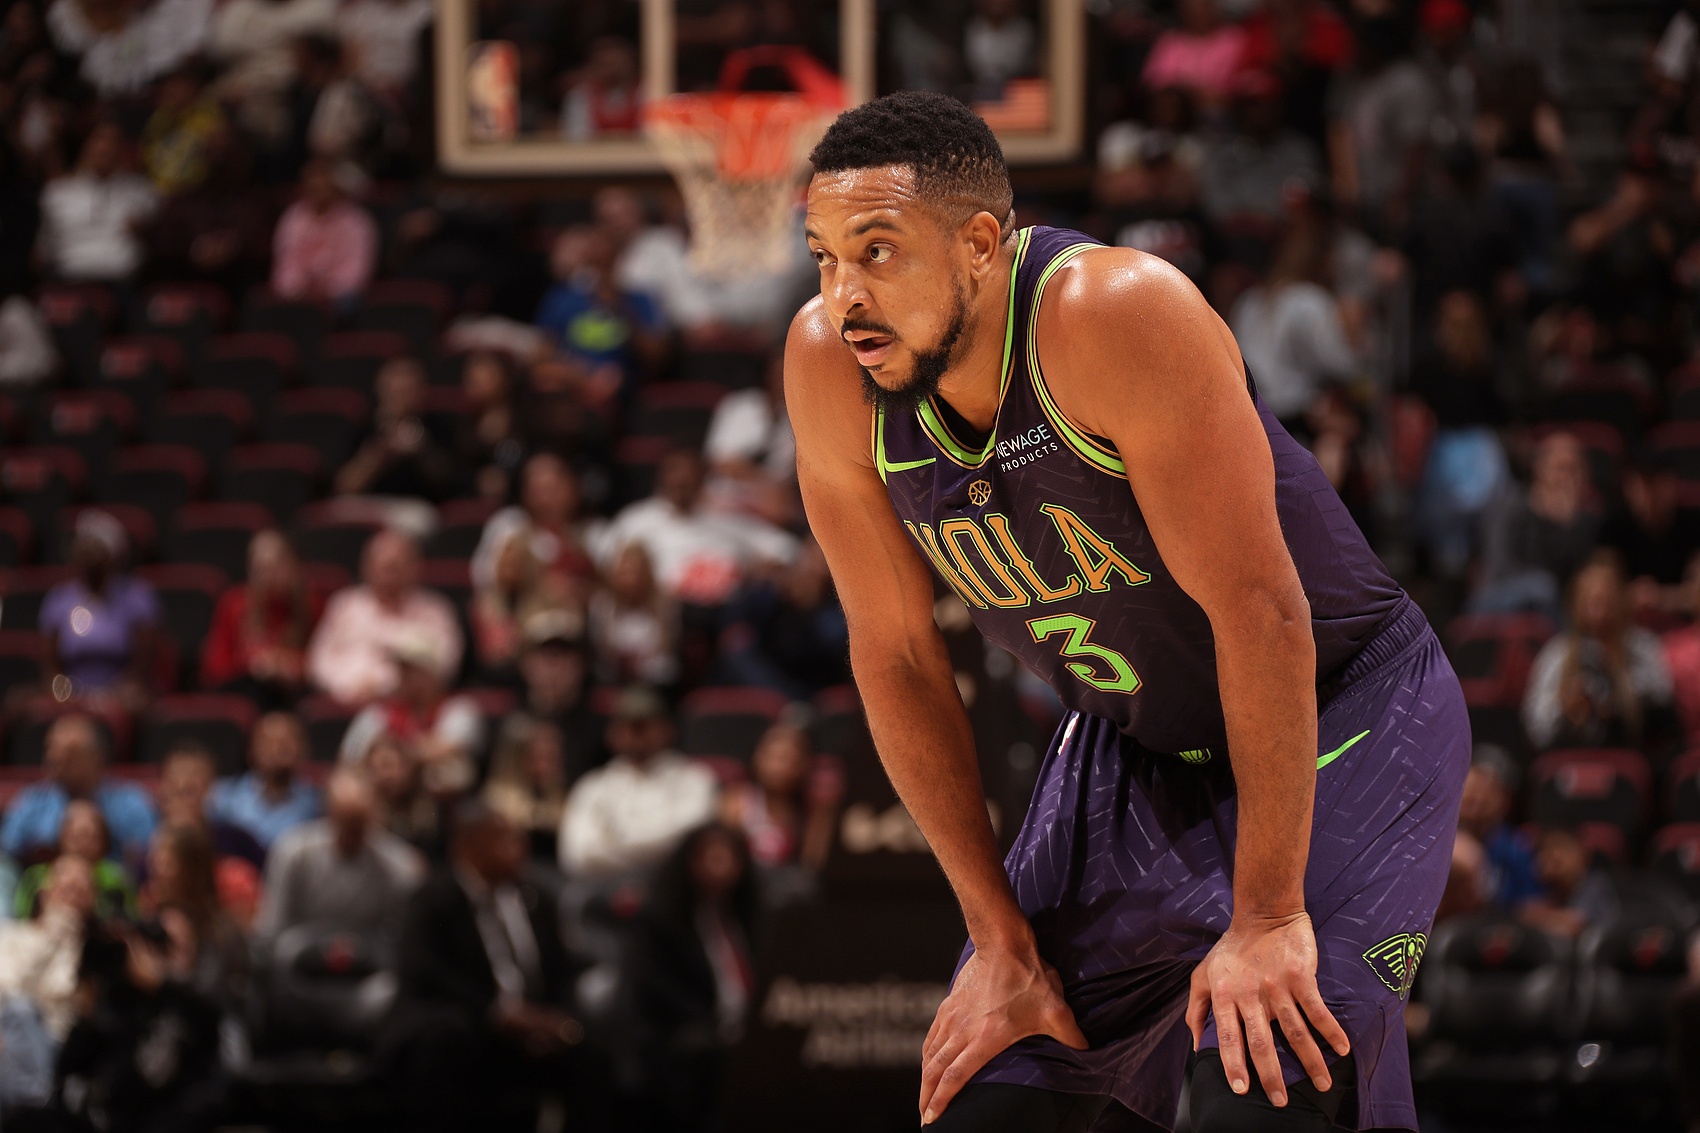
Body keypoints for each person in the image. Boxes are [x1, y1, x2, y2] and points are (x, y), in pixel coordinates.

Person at [788, 92, 1470, 1131]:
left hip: (1342, 712)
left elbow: (1261, 613)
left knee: (1268, 1086)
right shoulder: (828, 371)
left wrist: (1267, 914)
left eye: (875, 252)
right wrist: (998, 942)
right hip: (1135, 749)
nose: (845, 296)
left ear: (980, 244)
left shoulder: (1112, 313)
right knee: (992, 1100)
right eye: (823, 258)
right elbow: (897, 657)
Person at [381, 801, 611, 1133]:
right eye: (504, 839)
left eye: (518, 839)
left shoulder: (535, 898)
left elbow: (563, 968)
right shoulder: (432, 899)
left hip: (529, 1026)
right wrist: (498, 1014)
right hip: (464, 1021)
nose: (519, 849)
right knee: (448, 1043)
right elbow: (427, 973)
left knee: (593, 1050)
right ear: (468, 847)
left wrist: (555, 1017)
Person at [632, 823, 760, 1132]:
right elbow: (656, 989)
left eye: (730, 857)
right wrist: (720, 1025)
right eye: (713, 857)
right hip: (686, 1032)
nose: (722, 867)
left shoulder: (747, 915)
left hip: (747, 1029)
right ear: (690, 861)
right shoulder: (662, 919)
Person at [254, 768, 423, 963]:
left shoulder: (398, 864)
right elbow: (272, 926)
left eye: (358, 822)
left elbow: (403, 934)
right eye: (345, 820)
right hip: (302, 957)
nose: (352, 832)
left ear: (374, 814)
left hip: (367, 958)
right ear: (329, 812)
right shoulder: (294, 852)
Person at [598, 449, 798, 607]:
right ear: (662, 476)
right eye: (675, 472)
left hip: (724, 615)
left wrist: (763, 567)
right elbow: (604, 559)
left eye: (689, 476)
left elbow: (786, 549)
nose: (681, 480)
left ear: (702, 479)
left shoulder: (724, 519)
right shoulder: (636, 520)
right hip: (663, 613)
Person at [556, 686, 717, 881]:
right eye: (627, 725)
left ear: (667, 729)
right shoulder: (592, 786)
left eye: (644, 725)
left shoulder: (695, 780)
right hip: (603, 889)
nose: (636, 733)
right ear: (612, 733)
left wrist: (613, 842)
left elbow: (687, 842)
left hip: (675, 886)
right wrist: (651, 848)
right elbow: (577, 856)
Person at [1523, 554, 1673, 751]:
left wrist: (1616, 692)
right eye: (1591, 596)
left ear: (1622, 598)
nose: (1599, 601)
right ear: (1576, 602)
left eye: (1607, 594)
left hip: (1631, 751)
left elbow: (1664, 699)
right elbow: (1535, 726)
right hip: (1571, 755)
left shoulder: (1643, 645)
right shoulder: (1558, 652)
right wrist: (1563, 707)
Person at [306, 527, 463, 705]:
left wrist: (384, 687)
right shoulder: (344, 605)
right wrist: (348, 688)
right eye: (383, 567)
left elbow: (445, 664)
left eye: (395, 567)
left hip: (407, 706)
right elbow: (319, 662)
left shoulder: (436, 611)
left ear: (415, 567)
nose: (389, 576)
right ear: (366, 568)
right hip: (344, 703)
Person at [1470, 431, 1601, 619]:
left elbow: (1579, 576)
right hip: (1498, 597)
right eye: (1561, 468)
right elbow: (1501, 568)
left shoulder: (1584, 521)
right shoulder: (1510, 508)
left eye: (1574, 469)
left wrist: (1567, 526)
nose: (1566, 478)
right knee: (1543, 587)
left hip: (1554, 600)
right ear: (1540, 469)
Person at [39, 509, 161, 706]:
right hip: (70, 695)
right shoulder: (59, 599)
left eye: (97, 550)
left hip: (122, 694)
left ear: (114, 555)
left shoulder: (137, 596)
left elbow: (143, 664)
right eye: (84, 550)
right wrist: (65, 695)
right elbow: (51, 666)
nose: (90, 557)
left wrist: (116, 694)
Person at [339, 634, 485, 797]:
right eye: (400, 669)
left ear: (430, 673)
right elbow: (350, 757)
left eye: (410, 670)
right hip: (384, 801)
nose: (401, 676)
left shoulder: (458, 708)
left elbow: (448, 748)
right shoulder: (380, 712)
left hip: (441, 803)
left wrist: (395, 756)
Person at [0, 714, 156, 863]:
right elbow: (6, 851)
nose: (55, 758)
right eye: (51, 749)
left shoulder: (130, 804)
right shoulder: (32, 802)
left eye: (69, 753)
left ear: (96, 758)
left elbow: (149, 854)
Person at [200, 529, 322, 706]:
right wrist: (254, 663)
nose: (268, 575)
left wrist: (290, 665)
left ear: (295, 566)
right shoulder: (234, 604)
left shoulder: (312, 606)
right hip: (247, 694)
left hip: (295, 697)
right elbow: (214, 668)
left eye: (277, 565)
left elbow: (325, 664)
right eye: (261, 568)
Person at [36, 122, 158, 282]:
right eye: (98, 140)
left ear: (122, 150)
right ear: (85, 147)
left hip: (122, 281)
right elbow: (44, 248)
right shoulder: (58, 192)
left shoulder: (142, 192)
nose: (105, 147)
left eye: (113, 142)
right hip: (67, 278)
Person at [720, 715, 842, 872]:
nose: (777, 767)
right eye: (772, 757)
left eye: (787, 758)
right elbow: (726, 861)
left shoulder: (813, 810)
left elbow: (812, 866)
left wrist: (821, 817)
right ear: (756, 755)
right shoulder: (737, 800)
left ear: (804, 764)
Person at [207, 711, 323, 852]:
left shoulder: (317, 804)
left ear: (304, 749)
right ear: (250, 751)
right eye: (268, 742)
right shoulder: (222, 797)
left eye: (287, 743)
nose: (278, 749)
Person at [270, 156, 376, 308]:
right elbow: (286, 265)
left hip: (340, 298)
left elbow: (357, 270)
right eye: (314, 188)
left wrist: (328, 287)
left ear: (336, 188)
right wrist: (298, 286)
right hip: (299, 296)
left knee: (348, 303)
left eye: (325, 187)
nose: (319, 192)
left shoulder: (356, 221)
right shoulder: (292, 218)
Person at [11, 798, 134, 920]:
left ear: (104, 841)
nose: (83, 844)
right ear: (61, 837)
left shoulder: (115, 877)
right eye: (76, 837)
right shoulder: (36, 875)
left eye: (92, 838)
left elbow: (129, 917)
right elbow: (21, 916)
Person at [1453, 747, 1543, 912]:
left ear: (1505, 801)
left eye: (1487, 790)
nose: (1478, 798)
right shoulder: (1437, 841)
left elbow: (1531, 903)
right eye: (1471, 787)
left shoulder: (1518, 847)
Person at [483, 715, 569, 862]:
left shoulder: (562, 799)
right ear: (516, 758)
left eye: (552, 758)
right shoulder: (495, 804)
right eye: (539, 758)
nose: (547, 767)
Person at [1520, 825, 1618, 938]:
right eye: (1546, 850)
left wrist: (1537, 916)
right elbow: (1525, 911)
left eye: (1561, 846)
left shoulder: (1595, 883)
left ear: (1581, 854)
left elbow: (1573, 925)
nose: (1553, 855)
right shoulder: (1556, 889)